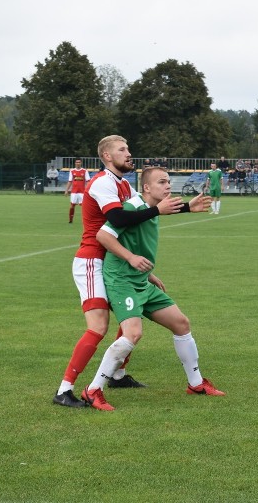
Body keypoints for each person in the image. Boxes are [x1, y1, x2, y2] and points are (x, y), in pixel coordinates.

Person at [53, 136, 205, 408]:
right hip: (93, 260)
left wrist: (185, 208)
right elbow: (119, 219)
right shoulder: (102, 182)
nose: (129, 153)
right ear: (107, 156)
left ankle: (117, 375)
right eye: (122, 150)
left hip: (116, 262)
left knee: (129, 323)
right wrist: (136, 253)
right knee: (99, 327)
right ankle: (65, 390)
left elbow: (144, 210)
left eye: (128, 148)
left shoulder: (123, 184)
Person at [82, 167, 223, 410]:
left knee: (181, 323)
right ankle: (93, 390)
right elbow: (103, 236)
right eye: (161, 182)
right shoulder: (131, 207)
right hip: (122, 281)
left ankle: (196, 383)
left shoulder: (148, 209)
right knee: (133, 334)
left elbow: (147, 223)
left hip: (141, 280)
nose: (168, 185)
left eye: (168, 181)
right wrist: (131, 258)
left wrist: (189, 207)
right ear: (146, 188)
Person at [64, 159, 90, 224]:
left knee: (84, 206)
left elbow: (88, 181)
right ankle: (70, 220)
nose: (78, 163)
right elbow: (70, 181)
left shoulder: (84, 171)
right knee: (72, 206)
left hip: (82, 192)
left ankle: (86, 220)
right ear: (75, 163)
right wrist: (66, 190)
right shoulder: (72, 171)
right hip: (74, 192)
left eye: (79, 162)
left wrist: (88, 190)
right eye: (76, 162)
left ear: (81, 163)